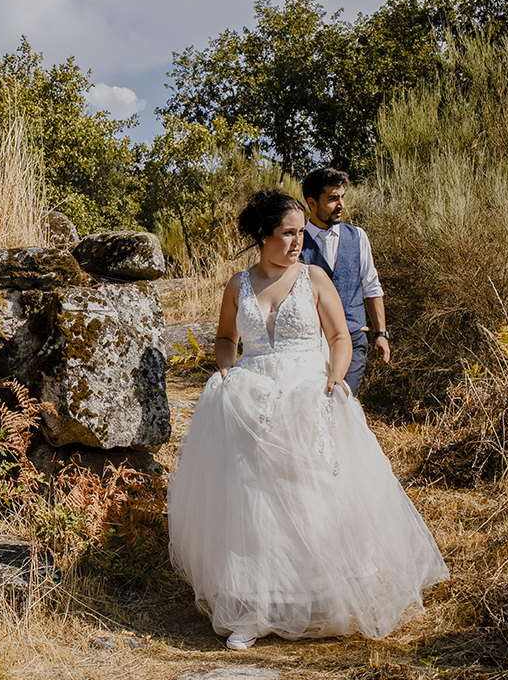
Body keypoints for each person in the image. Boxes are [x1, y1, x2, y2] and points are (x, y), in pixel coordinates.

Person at [167, 189, 448, 650]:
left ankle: (320, 597)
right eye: (288, 233)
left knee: (309, 492)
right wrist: (225, 368)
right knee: (251, 500)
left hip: (308, 391)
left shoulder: (314, 278)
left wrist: (335, 378)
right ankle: (254, 608)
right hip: (252, 394)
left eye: (301, 232)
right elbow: (224, 337)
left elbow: (339, 336)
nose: (298, 240)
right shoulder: (238, 285)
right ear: (263, 235)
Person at [300, 168, 387, 396]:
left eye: (342, 197)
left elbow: (371, 287)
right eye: (332, 199)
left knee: (343, 402)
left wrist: (381, 334)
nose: (341, 205)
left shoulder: (357, 236)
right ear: (312, 203)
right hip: (309, 344)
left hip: (353, 337)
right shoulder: (295, 241)